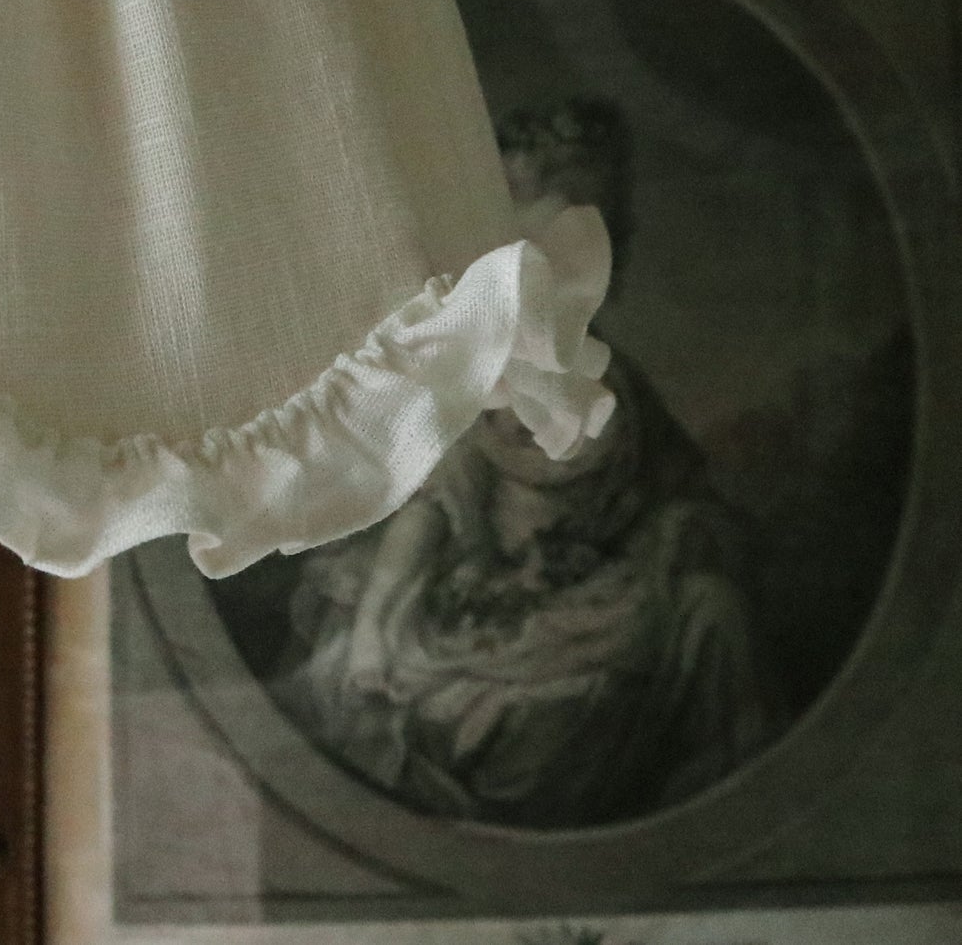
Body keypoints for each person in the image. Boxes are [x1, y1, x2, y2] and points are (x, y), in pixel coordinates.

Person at [267, 101, 786, 829]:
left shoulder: (618, 387)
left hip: (601, 592)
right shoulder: (463, 385)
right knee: (364, 671)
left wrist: (659, 542)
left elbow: (678, 495)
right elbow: (430, 510)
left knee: (714, 612)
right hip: (470, 593)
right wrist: (380, 626)